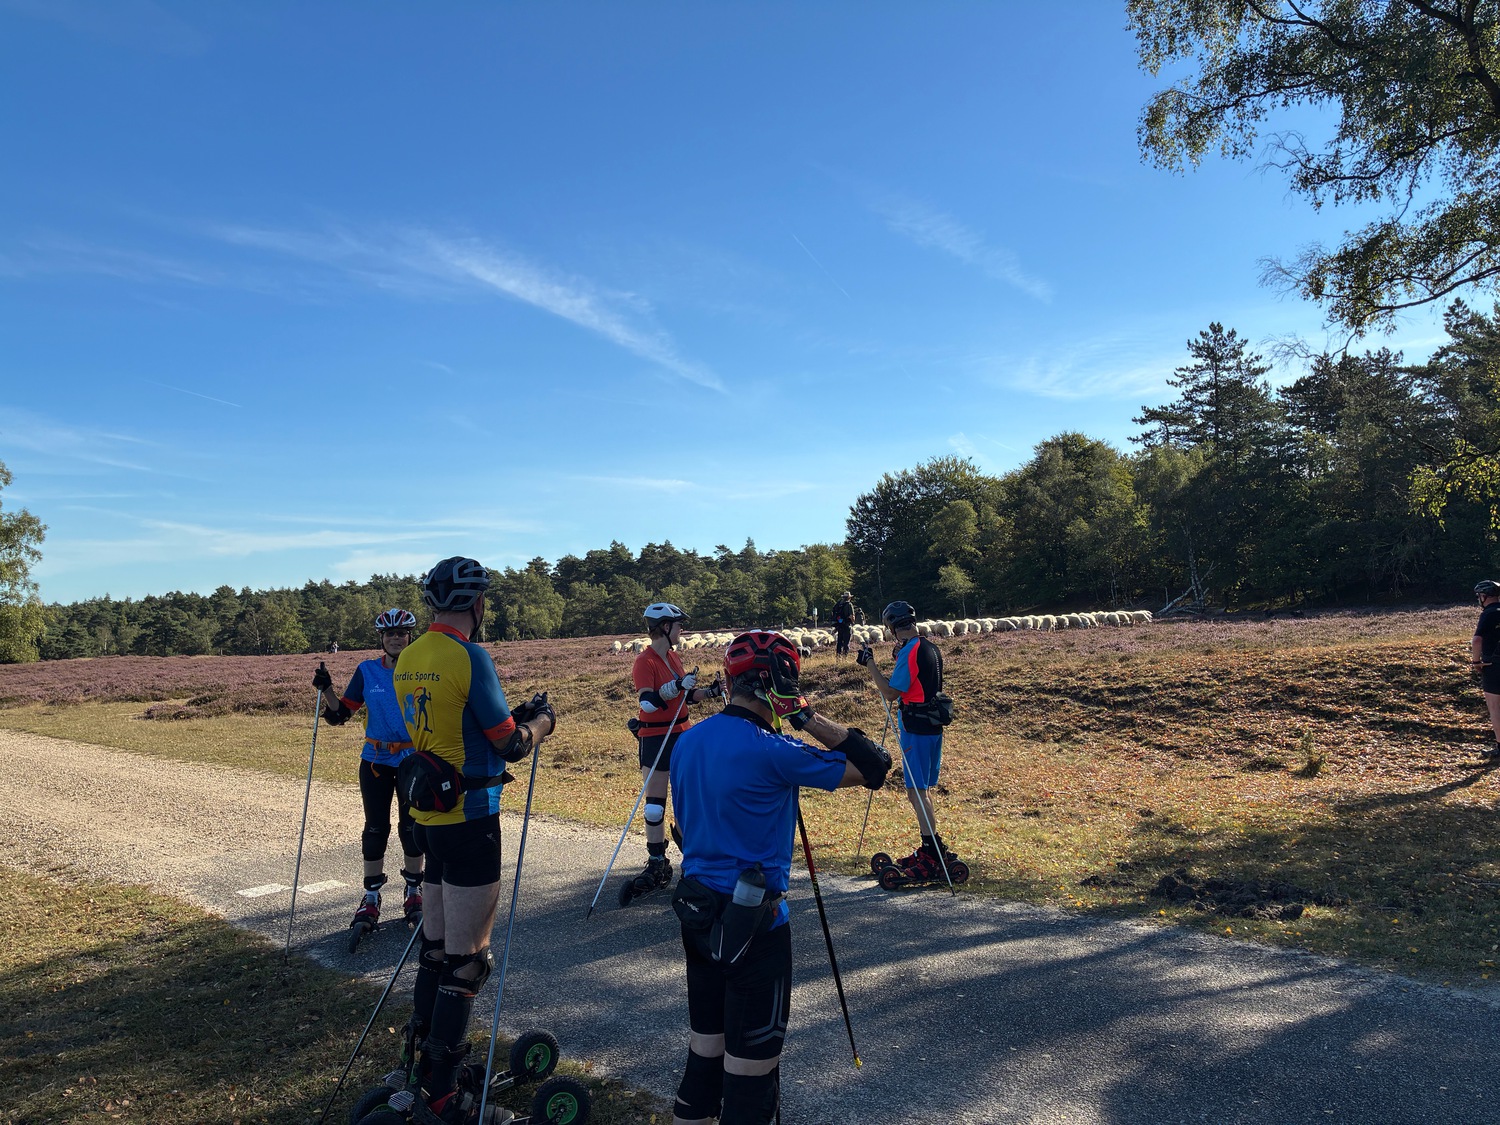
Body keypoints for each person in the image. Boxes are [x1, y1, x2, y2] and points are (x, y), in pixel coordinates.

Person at [667, 630, 890, 1125]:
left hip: (697, 914)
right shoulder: (774, 750)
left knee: (704, 1055)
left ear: (729, 682)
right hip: (756, 925)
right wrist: (802, 713)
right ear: (782, 687)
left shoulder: (687, 742)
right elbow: (875, 767)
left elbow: (682, 826)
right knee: (751, 1077)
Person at [393, 557, 557, 1122]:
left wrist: (511, 718)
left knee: (436, 951)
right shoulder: (470, 656)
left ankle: (420, 1068)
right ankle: (445, 1093)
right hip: (472, 819)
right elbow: (510, 745)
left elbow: (455, 727)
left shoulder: (409, 656)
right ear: (478, 603)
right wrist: (542, 721)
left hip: (428, 819)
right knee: (468, 964)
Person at [312, 608, 425, 932]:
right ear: (382, 639)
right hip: (375, 760)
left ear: (409, 637)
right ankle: (371, 897)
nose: (395, 638)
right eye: (390, 634)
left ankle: (414, 891)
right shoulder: (367, 671)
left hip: (413, 760)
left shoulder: (421, 669)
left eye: (401, 633)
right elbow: (341, 713)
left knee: (412, 827)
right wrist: (327, 690)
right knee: (375, 829)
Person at [622, 602, 724, 905]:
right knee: (654, 808)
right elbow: (648, 704)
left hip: (682, 734)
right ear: (665, 627)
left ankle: (695, 861)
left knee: (689, 802)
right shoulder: (645, 661)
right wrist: (676, 685)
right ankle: (657, 864)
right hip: (655, 736)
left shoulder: (673, 657)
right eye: (679, 625)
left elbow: (686, 697)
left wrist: (710, 692)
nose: (682, 630)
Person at [857, 600, 962, 878]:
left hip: (916, 727)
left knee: (916, 791)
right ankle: (933, 848)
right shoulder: (929, 646)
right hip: (932, 725)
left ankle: (931, 853)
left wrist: (870, 664)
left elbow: (891, 692)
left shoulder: (910, 651)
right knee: (922, 790)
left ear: (891, 627)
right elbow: (918, 679)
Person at [1474, 579, 1500, 759]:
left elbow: (1477, 640)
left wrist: (1476, 662)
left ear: (1484, 596)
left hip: (1493, 665)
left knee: (1495, 708)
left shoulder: (1488, 614)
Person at [831, 591, 858, 659]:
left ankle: (838, 657)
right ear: (849, 598)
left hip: (839, 625)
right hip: (846, 625)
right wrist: (852, 622)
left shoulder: (838, 604)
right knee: (846, 642)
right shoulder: (849, 605)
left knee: (839, 642)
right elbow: (852, 616)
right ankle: (845, 657)